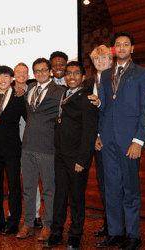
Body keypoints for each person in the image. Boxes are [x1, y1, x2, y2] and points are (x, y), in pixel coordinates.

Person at [95, 31, 145, 250]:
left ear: (132, 48)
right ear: (114, 49)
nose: (121, 48)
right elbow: (102, 108)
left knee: (130, 189)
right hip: (107, 140)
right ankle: (116, 233)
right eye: (117, 45)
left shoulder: (142, 73)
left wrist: (139, 139)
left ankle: (133, 236)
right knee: (111, 189)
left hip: (130, 141)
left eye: (125, 44)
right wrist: (99, 135)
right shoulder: (106, 73)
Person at [44, 61, 98, 250]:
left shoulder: (87, 98)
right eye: (68, 73)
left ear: (83, 78)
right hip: (60, 155)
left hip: (77, 158)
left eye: (76, 73)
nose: (71, 76)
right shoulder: (64, 94)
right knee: (60, 196)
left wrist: (82, 160)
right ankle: (56, 232)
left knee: (76, 198)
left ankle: (75, 235)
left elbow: (90, 132)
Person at [16, 58, 65, 241]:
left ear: (50, 71)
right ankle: (28, 223)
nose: (40, 73)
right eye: (36, 71)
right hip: (27, 146)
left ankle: (48, 225)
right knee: (28, 188)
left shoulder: (60, 91)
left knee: (49, 190)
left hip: (48, 148)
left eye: (43, 70)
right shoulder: (28, 90)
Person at [0, 65, 27, 236]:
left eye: (5, 77)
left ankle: (13, 222)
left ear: (11, 79)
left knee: (14, 187)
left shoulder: (19, 97)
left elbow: (29, 120)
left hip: (12, 149)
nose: (2, 80)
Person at [85, 44, 114, 237]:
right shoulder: (87, 83)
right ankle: (109, 223)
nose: (101, 62)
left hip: (114, 140)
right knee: (104, 185)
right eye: (97, 59)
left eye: (105, 58)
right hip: (96, 141)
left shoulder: (117, 80)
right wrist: (94, 136)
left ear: (111, 61)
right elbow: (87, 115)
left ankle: (118, 225)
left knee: (116, 185)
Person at [13, 62, 44, 230]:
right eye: (19, 72)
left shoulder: (33, 91)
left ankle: (36, 214)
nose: (22, 74)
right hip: (11, 142)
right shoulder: (5, 91)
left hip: (30, 140)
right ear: (14, 74)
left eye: (25, 72)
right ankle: (13, 214)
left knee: (31, 179)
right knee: (13, 179)